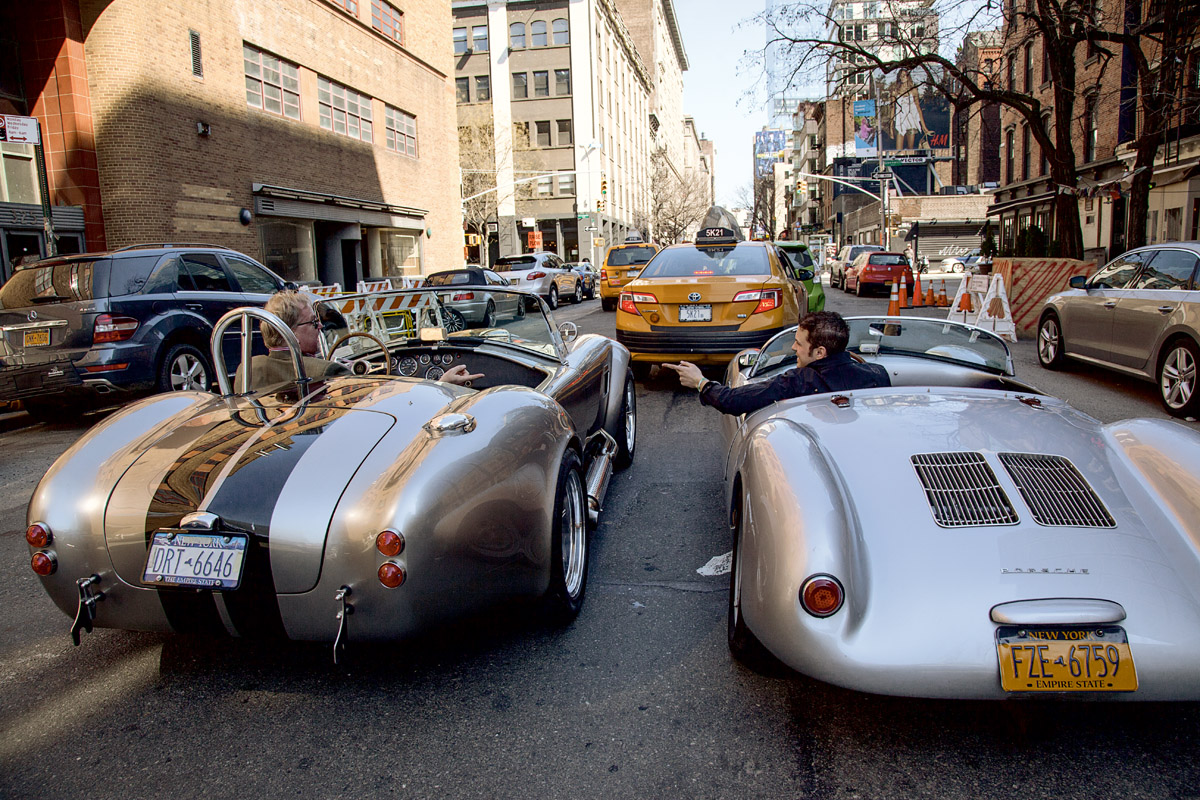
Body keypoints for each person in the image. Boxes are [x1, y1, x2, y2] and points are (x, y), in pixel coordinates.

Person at [662, 311, 891, 416]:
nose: (794, 348)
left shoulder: (797, 381)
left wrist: (700, 382)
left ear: (820, 352)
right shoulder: (878, 375)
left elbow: (732, 401)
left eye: (799, 344)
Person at [244, 290, 481, 389]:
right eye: (313, 322)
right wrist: (441, 384)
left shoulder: (249, 371)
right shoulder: (327, 372)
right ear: (291, 332)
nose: (319, 327)